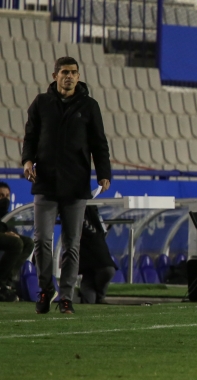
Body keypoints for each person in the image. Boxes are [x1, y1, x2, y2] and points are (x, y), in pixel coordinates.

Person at [22, 56, 111, 314]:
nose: (69, 76)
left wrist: (103, 173)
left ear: (78, 76)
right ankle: (44, 288)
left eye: (73, 72)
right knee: (41, 241)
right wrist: (27, 161)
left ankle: (66, 296)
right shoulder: (41, 103)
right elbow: (30, 136)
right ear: (55, 76)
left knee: (72, 243)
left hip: (76, 184)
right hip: (45, 182)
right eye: (64, 72)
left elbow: (99, 143)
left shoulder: (89, 106)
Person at [0, 182, 34, 302]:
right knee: (16, 243)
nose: (4, 199)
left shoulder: (7, 215)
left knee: (28, 243)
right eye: (1, 195)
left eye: (7, 196)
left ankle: (6, 283)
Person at [78, 205, 117, 304]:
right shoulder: (90, 216)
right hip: (94, 259)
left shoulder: (86, 214)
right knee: (89, 280)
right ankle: (98, 299)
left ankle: (95, 301)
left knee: (89, 281)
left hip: (91, 259)